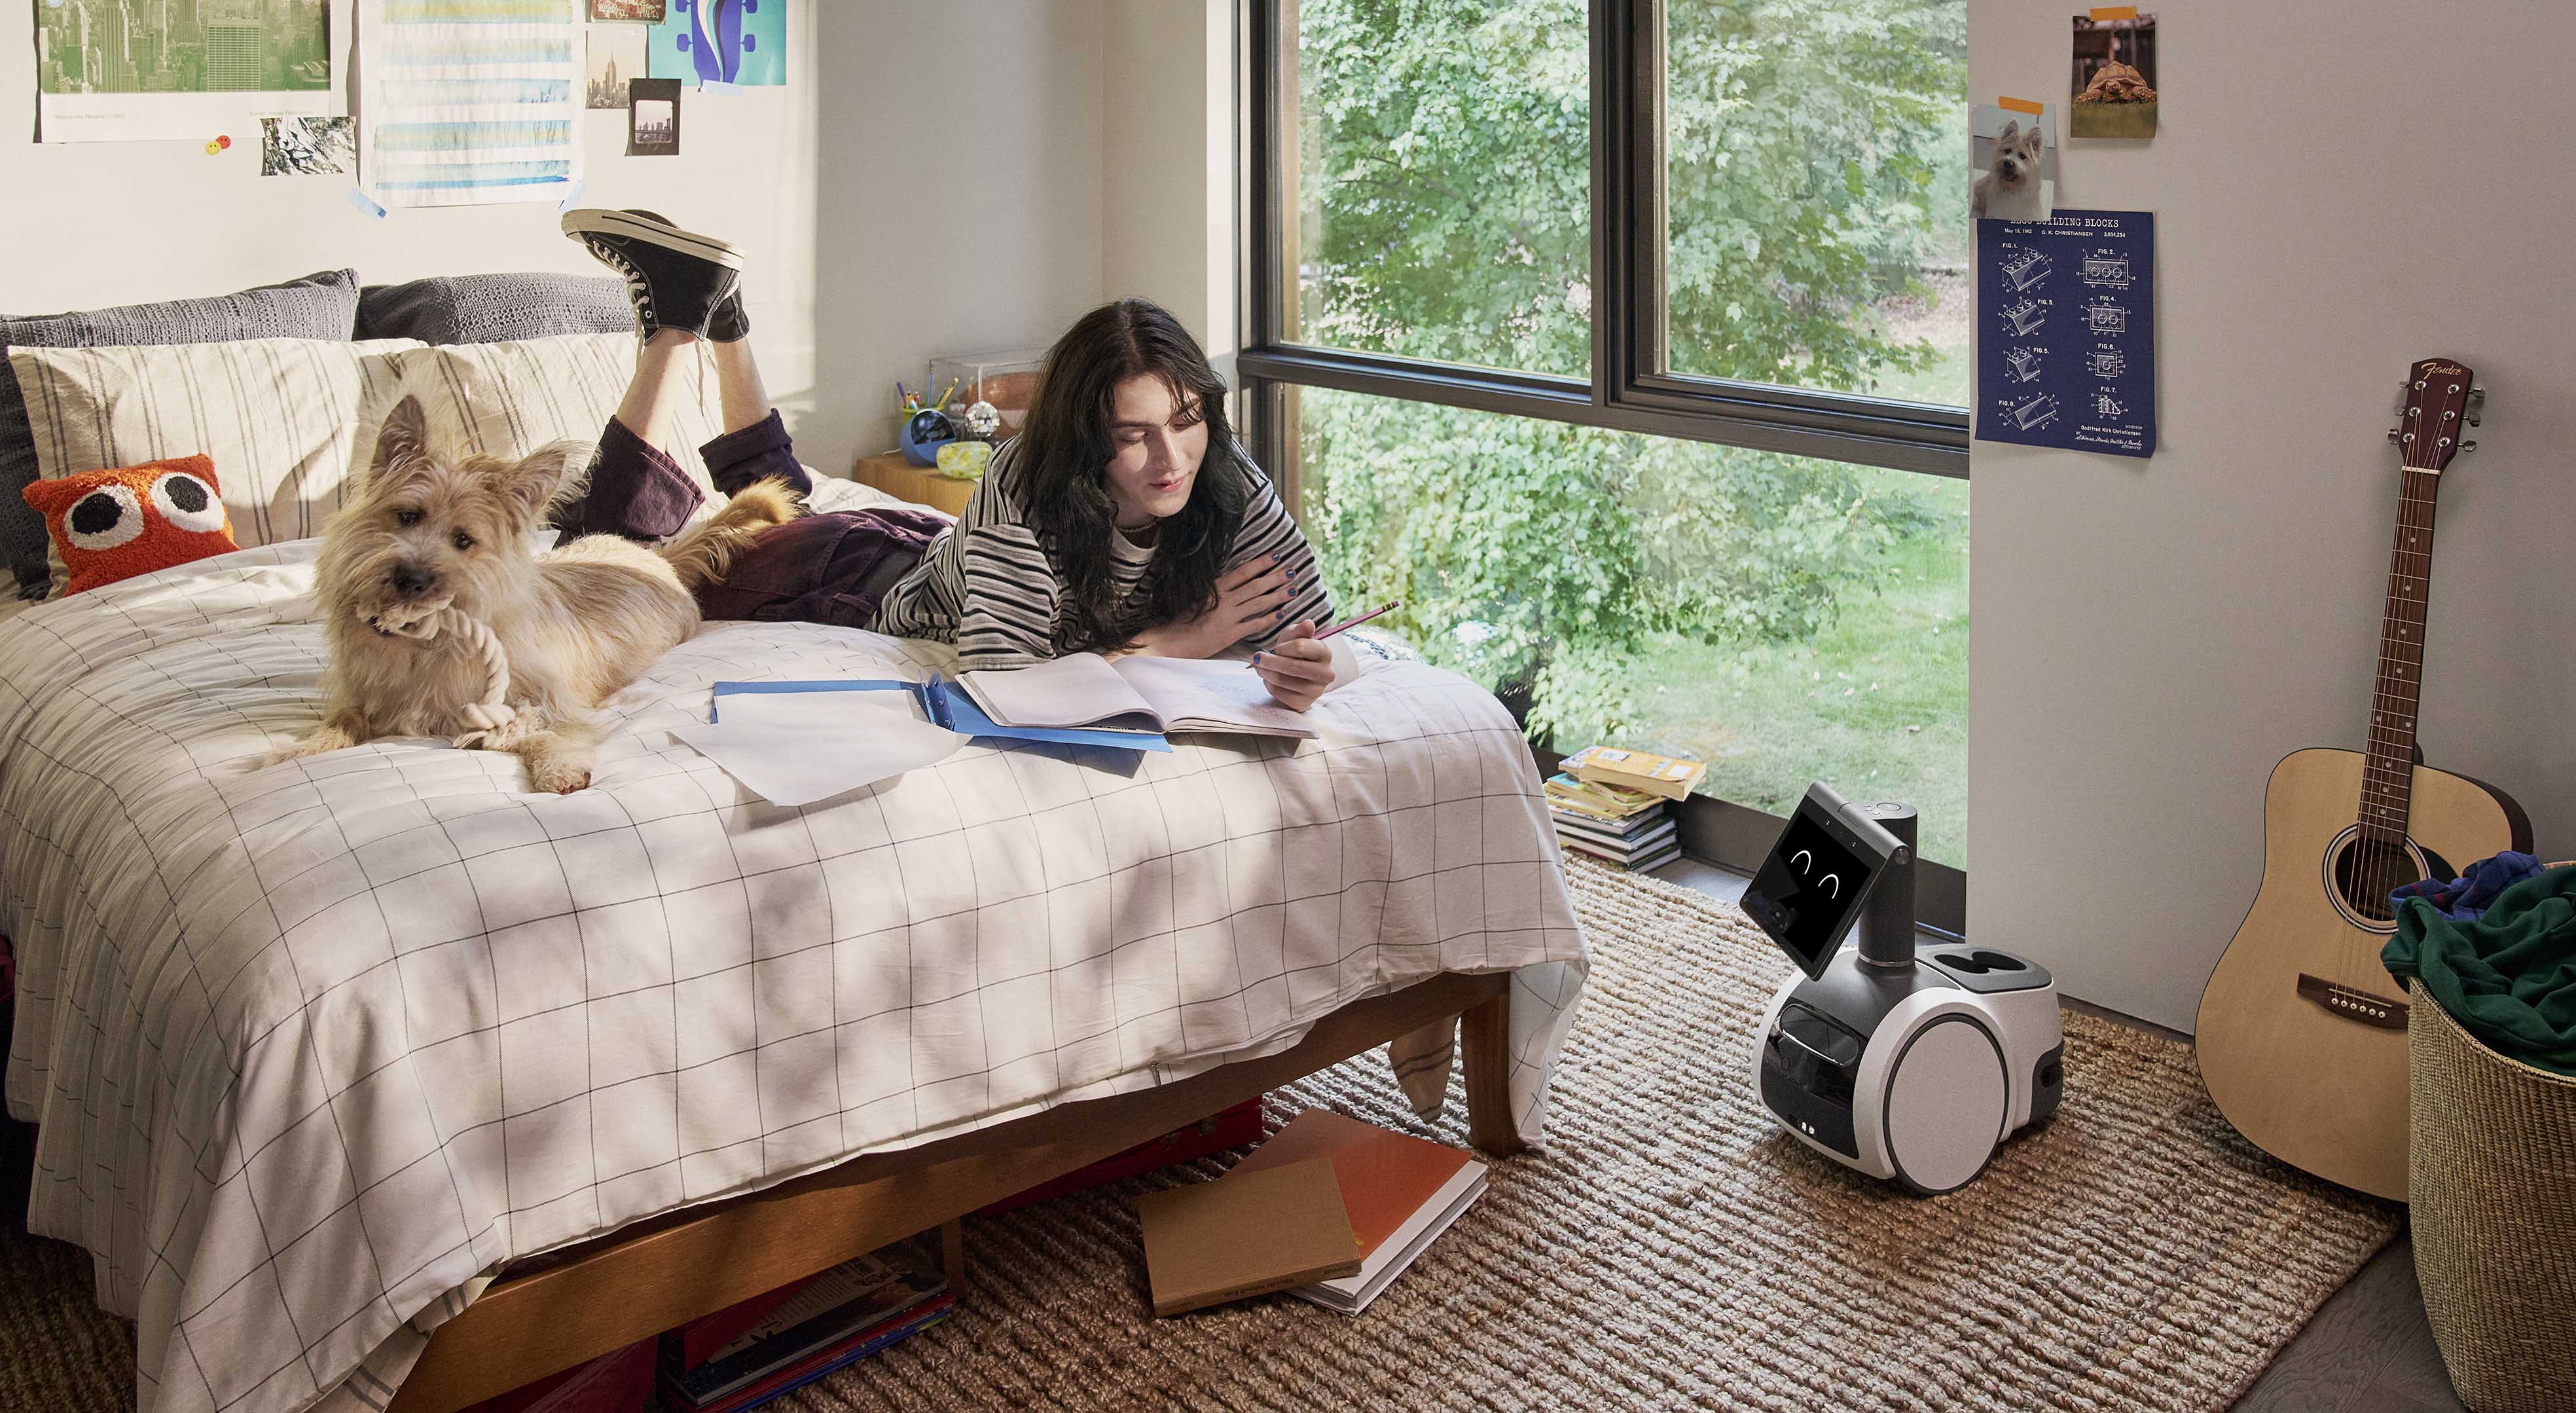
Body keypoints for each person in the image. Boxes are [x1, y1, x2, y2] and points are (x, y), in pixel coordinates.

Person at [554, 208, 1344, 709]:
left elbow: (1324, 630)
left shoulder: (1224, 472)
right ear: (1081, 438)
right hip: (852, 586)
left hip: (921, 548)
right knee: (606, 564)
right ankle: (679, 326)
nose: (1172, 457)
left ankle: (720, 315)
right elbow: (1003, 684)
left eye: (1186, 418)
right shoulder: (1024, 480)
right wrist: (1180, 641)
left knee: (785, 501)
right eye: (1132, 435)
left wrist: (1307, 664)